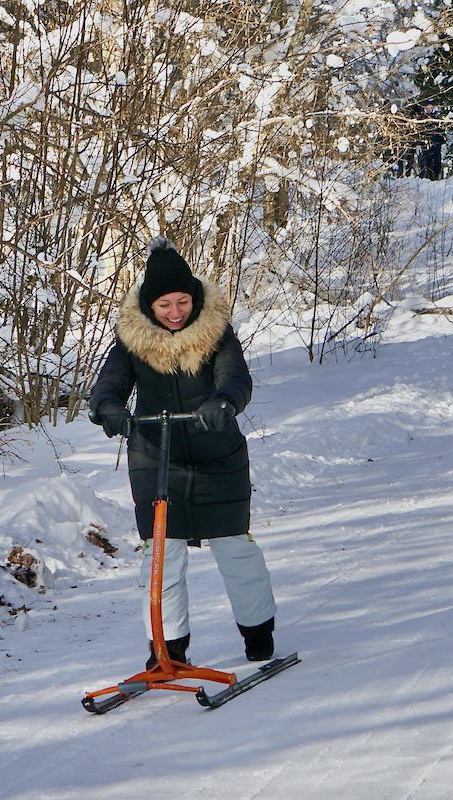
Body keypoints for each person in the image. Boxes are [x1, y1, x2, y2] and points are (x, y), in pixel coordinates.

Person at [89, 238, 278, 668]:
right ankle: (166, 648)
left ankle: (258, 634)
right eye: (164, 305)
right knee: (161, 554)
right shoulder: (131, 341)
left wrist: (224, 402)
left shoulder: (217, 334)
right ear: (148, 306)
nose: (175, 313)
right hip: (157, 459)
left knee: (235, 547)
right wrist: (110, 409)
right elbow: (109, 384)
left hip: (218, 456)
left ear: (194, 297)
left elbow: (236, 378)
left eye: (182, 302)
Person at [414, 102, 445, 181]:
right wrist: (418, 144)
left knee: (437, 164)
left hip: (436, 144)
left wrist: (443, 143)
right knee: (425, 163)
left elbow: (441, 132)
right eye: (427, 107)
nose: (429, 109)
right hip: (425, 144)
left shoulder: (437, 119)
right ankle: (425, 179)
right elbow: (418, 132)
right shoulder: (422, 119)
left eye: (430, 107)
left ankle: (436, 178)